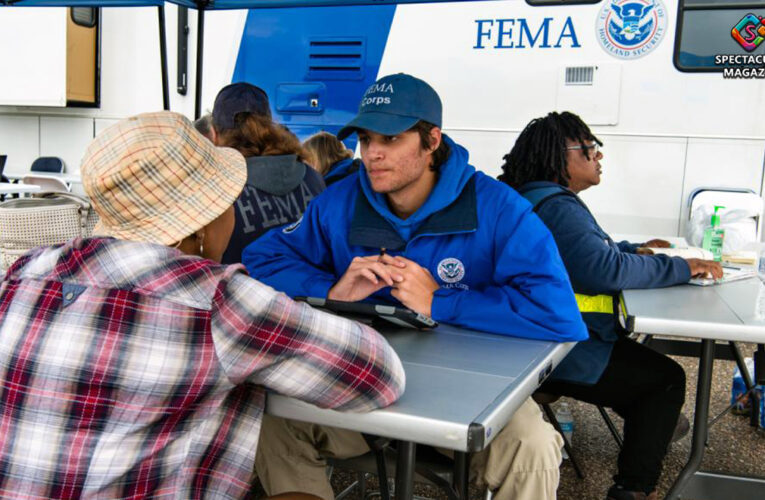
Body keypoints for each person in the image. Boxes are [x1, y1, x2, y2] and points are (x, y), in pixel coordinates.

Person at [0, 111, 405, 499]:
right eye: (229, 198)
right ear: (200, 225)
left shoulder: (23, 273)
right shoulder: (217, 302)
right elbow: (379, 376)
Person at [243, 73, 588, 500]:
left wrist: (440, 302)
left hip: (472, 390)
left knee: (532, 448)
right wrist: (332, 289)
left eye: (390, 139)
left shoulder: (500, 208)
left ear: (431, 141)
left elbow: (559, 315)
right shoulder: (339, 200)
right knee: (273, 420)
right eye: (366, 140)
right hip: (361, 379)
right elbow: (261, 259)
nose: (372, 154)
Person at [498, 111, 722, 500]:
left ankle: (654, 429)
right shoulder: (556, 206)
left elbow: (586, 253)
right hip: (553, 349)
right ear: (559, 156)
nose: (598, 156)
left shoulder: (536, 198)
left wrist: (634, 250)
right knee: (664, 380)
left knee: (646, 377)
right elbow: (602, 270)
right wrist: (681, 267)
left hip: (531, 336)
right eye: (590, 148)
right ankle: (632, 489)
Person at [209, 82, 326, 264]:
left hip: (239, 291)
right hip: (310, 290)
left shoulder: (216, 194)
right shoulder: (313, 178)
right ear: (270, 127)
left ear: (214, 134)